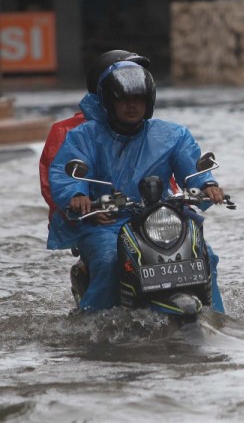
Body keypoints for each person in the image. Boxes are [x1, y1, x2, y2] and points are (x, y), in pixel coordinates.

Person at [47, 61, 227, 313]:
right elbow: (67, 170)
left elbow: (194, 169)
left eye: (138, 99)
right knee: (110, 261)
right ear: (110, 102)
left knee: (205, 255)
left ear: (149, 101)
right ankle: (90, 327)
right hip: (107, 223)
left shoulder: (173, 135)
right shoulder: (85, 136)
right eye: (123, 100)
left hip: (159, 219)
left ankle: (217, 320)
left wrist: (207, 185)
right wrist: (76, 195)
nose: (132, 106)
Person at [40, 50, 151, 224]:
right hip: (93, 220)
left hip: (149, 218)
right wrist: (84, 211)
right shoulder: (71, 131)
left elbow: (163, 174)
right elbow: (56, 183)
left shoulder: (151, 130)